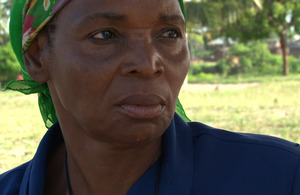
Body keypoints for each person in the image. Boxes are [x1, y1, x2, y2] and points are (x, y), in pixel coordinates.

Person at [1, 0, 300, 194]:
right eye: (105, 35)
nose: (148, 64)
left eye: (169, 34)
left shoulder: (280, 177)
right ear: (38, 57)